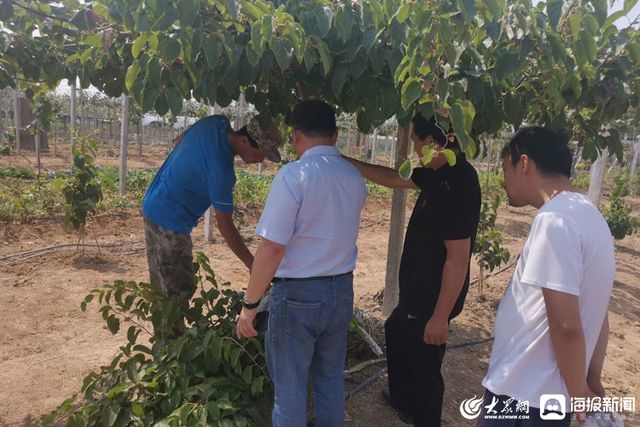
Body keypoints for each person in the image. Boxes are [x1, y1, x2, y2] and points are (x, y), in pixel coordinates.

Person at [235, 100, 367, 427]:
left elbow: (271, 249)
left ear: (295, 136)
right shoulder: (354, 178)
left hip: (297, 298)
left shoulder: (294, 177)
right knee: (329, 381)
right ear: (336, 135)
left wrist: (250, 306)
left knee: (291, 390)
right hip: (341, 292)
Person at [345, 114, 481, 426]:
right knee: (395, 330)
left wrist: (440, 317)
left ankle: (423, 416)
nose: (416, 151)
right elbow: (394, 178)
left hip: (431, 302)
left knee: (425, 371)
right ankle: (403, 401)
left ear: (434, 143)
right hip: (416, 297)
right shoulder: (438, 172)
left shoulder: (458, 184)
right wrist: (344, 161)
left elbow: (457, 259)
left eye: (418, 144)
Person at [478, 127, 615, 426]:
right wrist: (590, 378)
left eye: (505, 169)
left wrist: (580, 391)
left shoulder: (555, 220)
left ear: (524, 163)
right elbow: (598, 313)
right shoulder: (590, 216)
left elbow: (566, 324)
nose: (503, 181)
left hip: (523, 395)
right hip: (548, 398)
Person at [142, 115, 281, 323]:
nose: (261, 160)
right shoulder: (221, 172)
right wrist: (253, 265)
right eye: (260, 153)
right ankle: (170, 349)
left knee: (166, 290)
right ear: (244, 140)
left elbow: (179, 140)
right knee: (175, 293)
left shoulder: (216, 123)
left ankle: (170, 346)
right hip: (169, 220)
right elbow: (225, 225)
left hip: (155, 202)